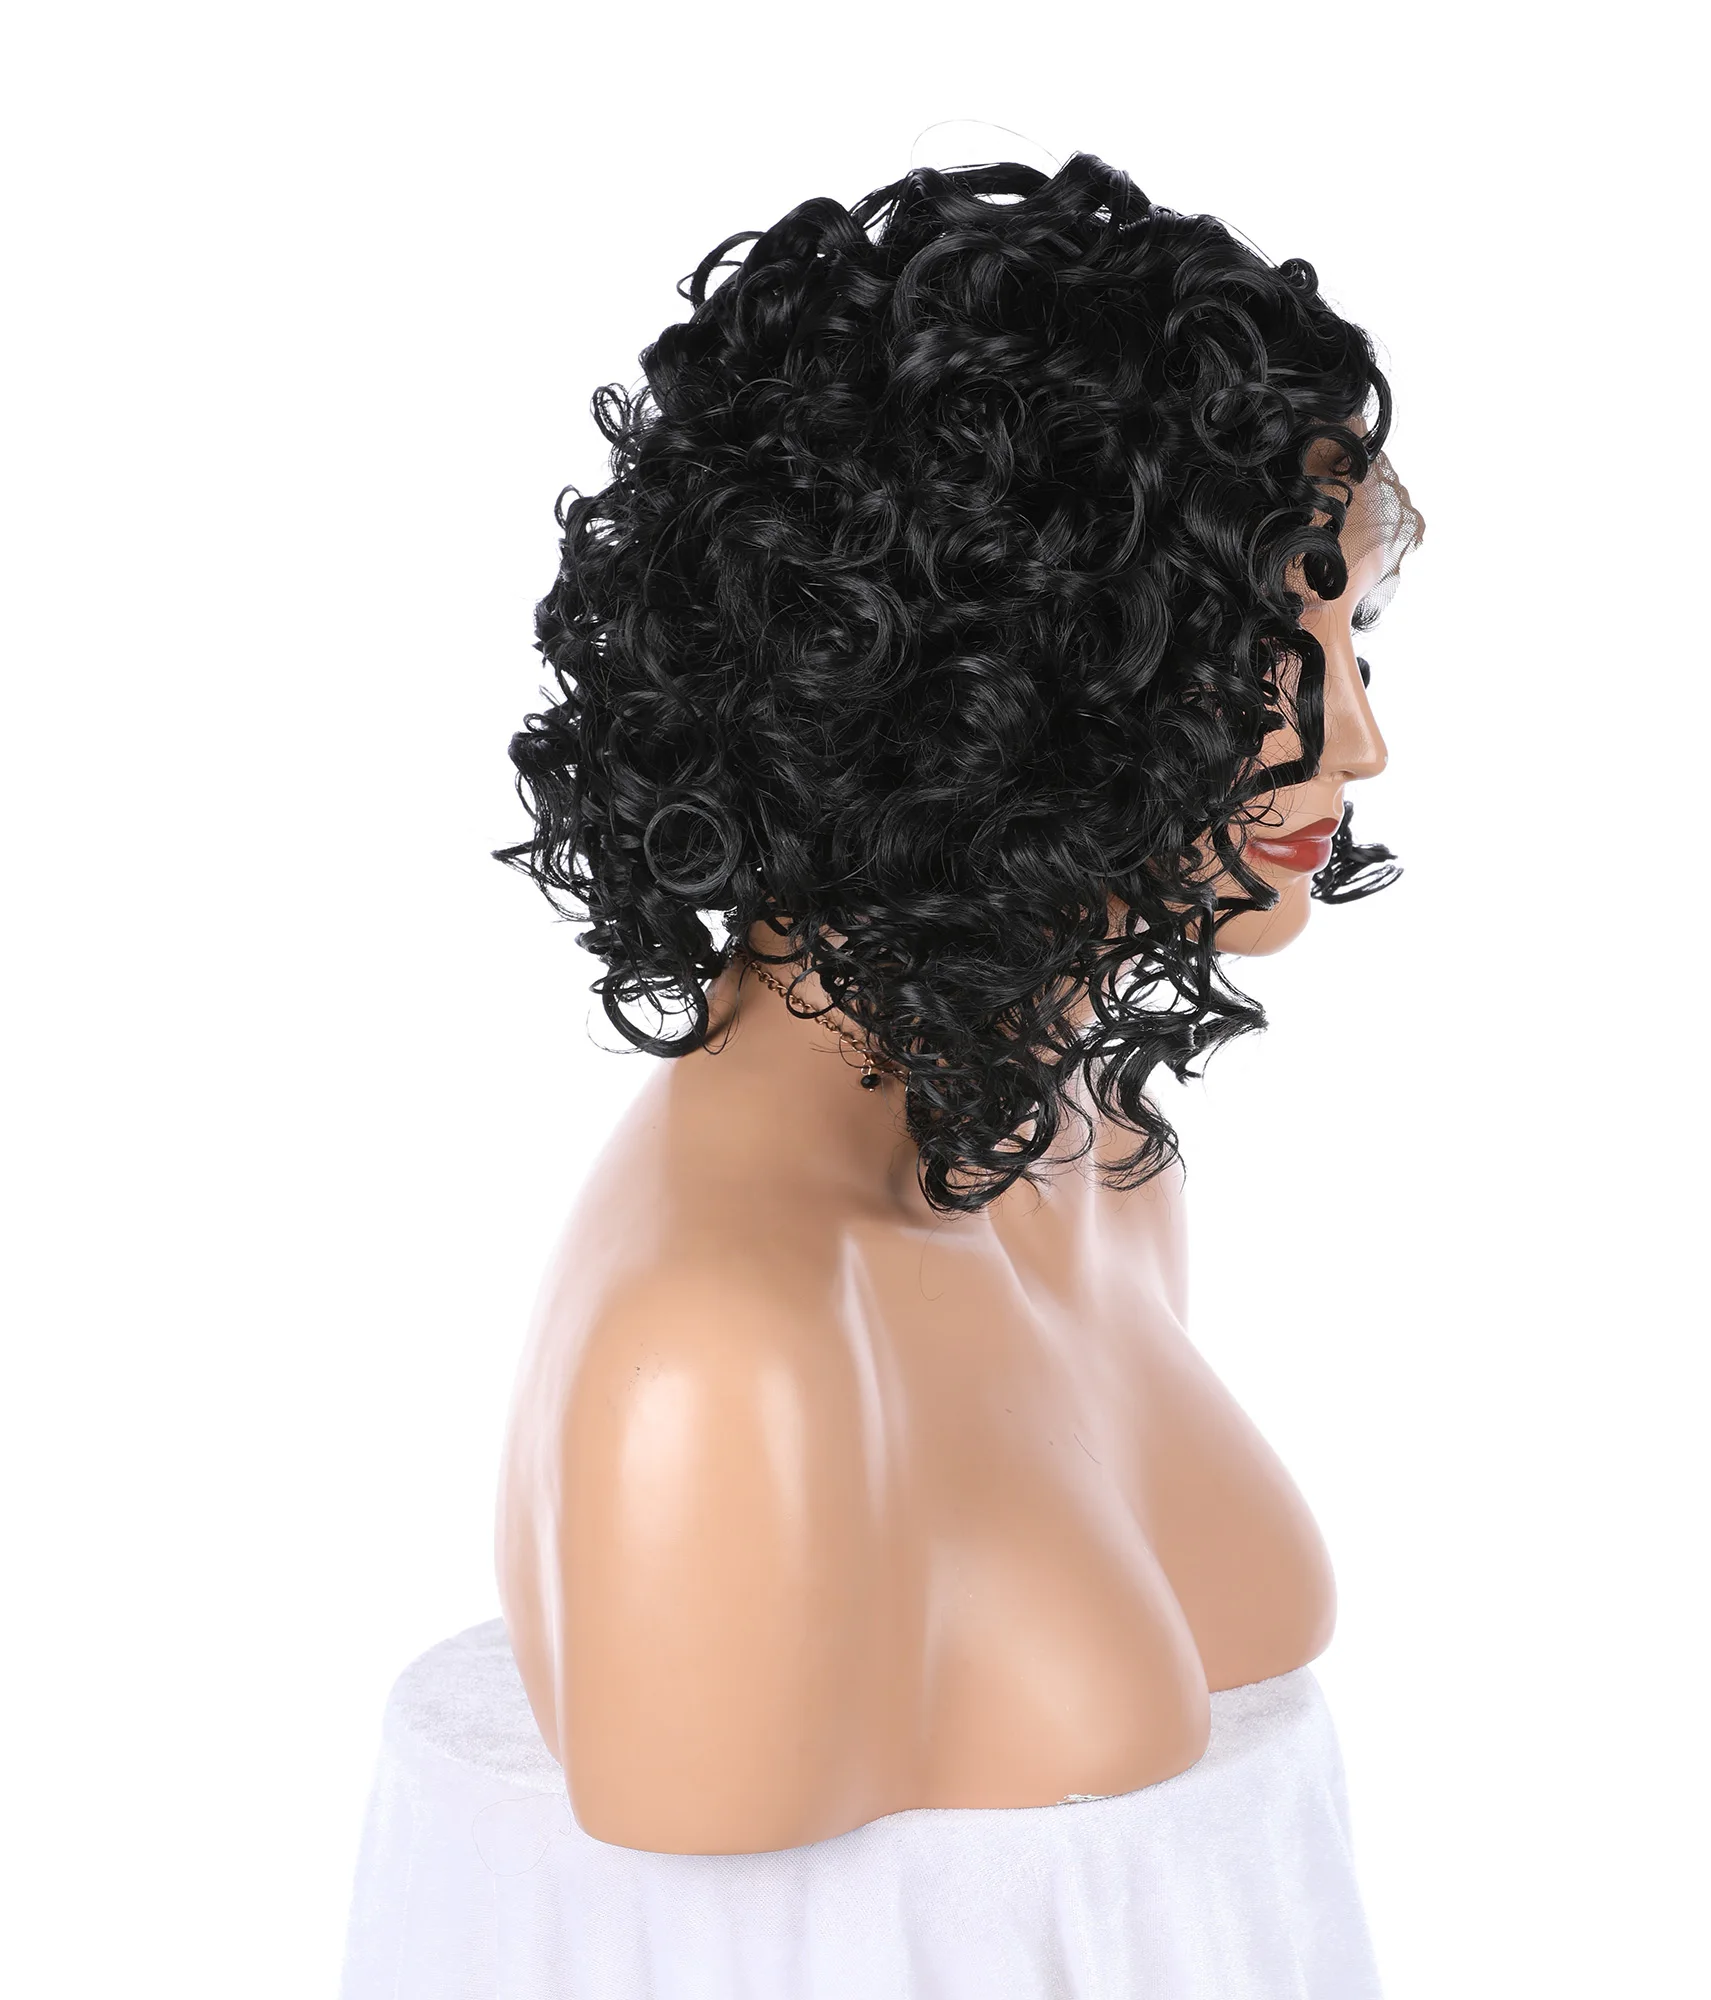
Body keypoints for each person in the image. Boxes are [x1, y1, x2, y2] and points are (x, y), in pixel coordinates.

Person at [340, 151, 1424, 1999]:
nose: (1363, 745)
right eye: (1262, 656)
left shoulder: (1101, 1168)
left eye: (1352, 641)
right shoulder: (725, 1350)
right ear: (992, 672)